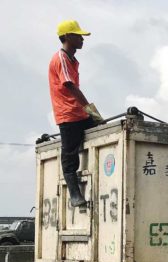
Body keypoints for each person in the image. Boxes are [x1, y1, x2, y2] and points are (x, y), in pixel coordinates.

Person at [48, 20, 103, 207]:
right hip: (68, 114)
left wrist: (92, 115)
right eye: (78, 35)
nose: (82, 39)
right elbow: (70, 86)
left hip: (78, 113)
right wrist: (91, 111)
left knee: (102, 130)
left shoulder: (72, 60)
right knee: (70, 154)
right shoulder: (62, 58)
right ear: (67, 37)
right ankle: (74, 194)